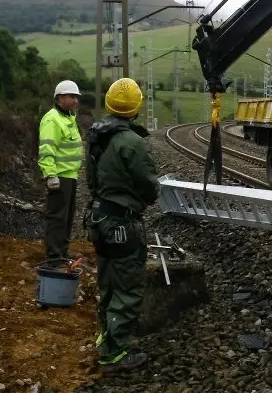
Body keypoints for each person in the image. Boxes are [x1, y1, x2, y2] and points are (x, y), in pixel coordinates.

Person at [85, 77, 160, 374]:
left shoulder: (97, 136)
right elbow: (149, 185)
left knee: (108, 285)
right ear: (136, 107)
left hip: (100, 219)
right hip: (122, 224)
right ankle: (114, 354)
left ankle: (106, 339)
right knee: (128, 288)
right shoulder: (132, 142)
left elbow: (90, 180)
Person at [37, 80, 84, 261]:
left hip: (69, 176)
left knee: (67, 217)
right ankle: (54, 256)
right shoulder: (52, 120)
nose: (76, 101)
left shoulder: (67, 118)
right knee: (57, 218)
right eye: (72, 97)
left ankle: (62, 252)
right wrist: (50, 174)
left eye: (77, 97)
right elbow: (47, 149)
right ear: (61, 97)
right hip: (60, 177)